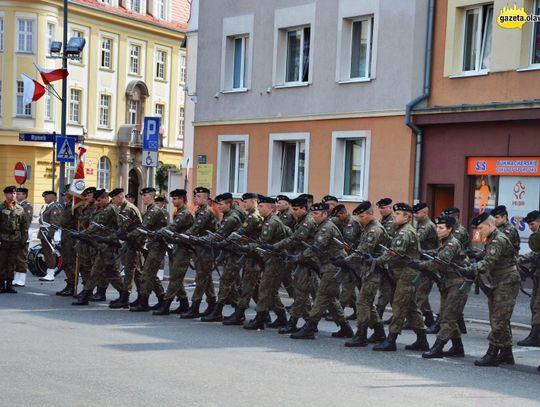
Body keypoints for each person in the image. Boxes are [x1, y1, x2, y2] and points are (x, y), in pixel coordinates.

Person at [458, 212, 520, 367]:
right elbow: (487, 255)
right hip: (500, 280)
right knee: (498, 317)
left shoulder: (497, 240)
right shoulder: (493, 238)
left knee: (499, 318)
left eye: (481, 227)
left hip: (507, 281)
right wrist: (475, 255)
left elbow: (488, 263)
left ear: (490, 225)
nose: (479, 231)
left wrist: (471, 269)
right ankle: (506, 353)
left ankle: (492, 353)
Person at [408, 216, 470, 359]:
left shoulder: (452, 244)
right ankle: (457, 347)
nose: (437, 230)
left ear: (450, 229)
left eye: (441, 228)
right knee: (448, 315)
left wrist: (419, 265)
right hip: (448, 283)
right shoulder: (445, 243)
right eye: (437, 227)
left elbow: (440, 262)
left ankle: (438, 346)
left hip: (457, 284)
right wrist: (420, 255)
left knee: (448, 317)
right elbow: (436, 253)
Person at [290, 202, 354, 340]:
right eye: (312, 213)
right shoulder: (321, 226)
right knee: (330, 298)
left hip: (333, 265)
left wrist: (299, 257)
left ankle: (310, 326)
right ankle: (345, 328)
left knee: (322, 296)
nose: (313, 217)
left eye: (316, 214)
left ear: (325, 214)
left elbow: (316, 247)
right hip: (327, 265)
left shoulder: (326, 228)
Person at [334, 201, 390, 347]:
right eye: (358, 216)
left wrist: (344, 261)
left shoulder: (374, 230)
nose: (360, 219)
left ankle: (361, 334)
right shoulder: (367, 227)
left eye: (363, 215)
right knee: (367, 303)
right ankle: (379, 332)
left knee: (363, 302)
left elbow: (363, 251)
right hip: (367, 270)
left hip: (374, 271)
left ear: (371, 213)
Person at [372, 203, 427, 352]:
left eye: (398, 214)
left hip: (407, 274)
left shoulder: (405, 232)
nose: (395, 217)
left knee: (399, 306)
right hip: (403, 273)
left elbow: (394, 253)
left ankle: (391, 340)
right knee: (410, 307)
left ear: (407, 217)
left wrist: (377, 261)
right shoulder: (402, 230)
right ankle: (422, 339)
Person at [243, 196, 290, 330]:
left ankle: (260, 318)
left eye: (262, 207)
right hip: (271, 259)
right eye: (259, 206)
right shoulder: (268, 220)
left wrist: (248, 245)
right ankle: (281, 317)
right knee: (271, 290)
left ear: (271, 208)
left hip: (275, 260)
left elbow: (262, 242)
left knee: (264, 288)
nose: (259, 209)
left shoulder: (271, 222)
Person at [273, 196, 318, 334]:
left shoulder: (307, 222)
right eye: (293, 209)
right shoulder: (302, 219)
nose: (293, 212)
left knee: (302, 293)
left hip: (308, 261)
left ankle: (294, 323)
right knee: (305, 293)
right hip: (302, 259)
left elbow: (296, 238)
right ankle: (310, 323)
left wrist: (277, 246)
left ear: (304, 208)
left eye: (296, 209)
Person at [72, 189, 124, 305]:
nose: (97, 202)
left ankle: (85, 296)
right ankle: (124, 295)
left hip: (108, 246)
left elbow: (95, 226)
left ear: (105, 198)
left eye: (99, 200)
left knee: (98, 272)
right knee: (111, 273)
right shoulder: (102, 208)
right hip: (102, 246)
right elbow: (93, 223)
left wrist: (81, 235)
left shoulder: (109, 209)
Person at [200, 192, 244, 322]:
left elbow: (218, 235)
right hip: (230, 254)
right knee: (232, 285)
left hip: (234, 255)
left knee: (226, 283)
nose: (218, 206)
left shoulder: (231, 218)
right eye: (217, 204)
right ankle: (238, 313)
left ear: (228, 204)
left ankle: (218, 312)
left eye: (221, 204)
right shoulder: (228, 215)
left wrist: (200, 239)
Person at [223, 192, 264, 326]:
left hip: (253, 255)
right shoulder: (251, 215)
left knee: (248, 286)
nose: (243, 204)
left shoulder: (253, 216)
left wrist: (227, 240)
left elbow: (241, 232)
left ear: (253, 201)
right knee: (255, 287)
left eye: (246, 202)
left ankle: (240, 314)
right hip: (249, 254)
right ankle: (266, 315)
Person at [153, 189, 194, 315]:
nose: (173, 201)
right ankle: (184, 303)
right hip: (177, 247)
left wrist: (157, 232)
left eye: (175, 199)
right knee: (176, 276)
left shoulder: (184, 213)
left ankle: (166, 305)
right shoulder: (179, 212)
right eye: (173, 198)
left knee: (175, 277)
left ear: (182, 199)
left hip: (184, 249)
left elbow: (172, 227)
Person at [129, 187, 169, 312]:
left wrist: (128, 235)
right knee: (151, 274)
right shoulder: (150, 210)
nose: (143, 198)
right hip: (151, 246)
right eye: (142, 196)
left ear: (151, 196)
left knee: (147, 274)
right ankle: (161, 299)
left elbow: (144, 228)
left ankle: (144, 303)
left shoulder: (153, 211)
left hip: (157, 246)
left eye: (145, 195)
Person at [181, 187, 219, 319]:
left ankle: (195, 306)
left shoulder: (205, 212)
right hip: (200, 248)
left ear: (205, 198)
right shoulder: (199, 210)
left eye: (198, 196)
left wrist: (182, 236)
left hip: (206, 249)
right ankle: (212, 304)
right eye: (195, 196)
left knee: (201, 278)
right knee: (206, 278)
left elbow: (195, 228)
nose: (195, 198)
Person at [109, 188, 144, 309]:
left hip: (134, 243)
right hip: (131, 242)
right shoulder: (124, 208)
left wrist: (113, 237)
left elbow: (123, 229)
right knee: (137, 272)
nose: (112, 201)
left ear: (120, 197)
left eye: (113, 198)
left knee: (129, 271)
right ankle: (141, 297)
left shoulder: (127, 209)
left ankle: (125, 298)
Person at [413, 202, 439, 329]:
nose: (415, 215)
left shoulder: (427, 226)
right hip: (422, 263)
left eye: (417, 213)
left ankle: (414, 320)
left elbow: (416, 241)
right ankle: (429, 318)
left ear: (424, 212)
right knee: (421, 291)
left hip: (429, 263)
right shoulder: (422, 224)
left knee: (420, 293)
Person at [517, 210, 540, 347]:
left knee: (537, 306)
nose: (530, 227)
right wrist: (519, 259)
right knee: (534, 305)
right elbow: (535, 253)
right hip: (538, 274)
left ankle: (535, 336)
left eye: (532, 224)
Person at [0, 186, 29, 293]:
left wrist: (23, 240)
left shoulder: (20, 209)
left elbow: (24, 226)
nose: (13, 195)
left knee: (12, 262)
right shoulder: (1, 208)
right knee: (2, 262)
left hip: (15, 240)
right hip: (3, 239)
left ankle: (10, 285)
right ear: (5, 194)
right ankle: (1, 284)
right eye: (11, 193)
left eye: (14, 193)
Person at [56, 185, 79, 297]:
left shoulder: (75, 207)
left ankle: (72, 286)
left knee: (70, 262)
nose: (64, 196)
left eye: (65, 194)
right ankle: (69, 284)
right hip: (65, 235)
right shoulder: (68, 206)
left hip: (71, 237)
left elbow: (67, 221)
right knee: (66, 262)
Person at [376, 198, 396, 322]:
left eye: (384, 208)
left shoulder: (392, 222)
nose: (381, 210)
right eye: (380, 208)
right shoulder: (381, 221)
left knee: (388, 287)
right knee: (388, 287)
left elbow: (387, 240)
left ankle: (379, 314)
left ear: (390, 208)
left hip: (390, 260)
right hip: (384, 259)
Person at [37, 190, 62, 281]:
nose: (45, 198)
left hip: (48, 234)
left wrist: (50, 235)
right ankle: (49, 272)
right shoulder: (47, 207)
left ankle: (51, 274)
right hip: (44, 233)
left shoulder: (54, 207)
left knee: (49, 253)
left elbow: (55, 223)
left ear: (52, 197)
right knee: (46, 253)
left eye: (46, 196)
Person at [13, 187, 33, 287]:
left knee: (22, 257)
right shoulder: (16, 205)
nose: (17, 195)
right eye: (17, 194)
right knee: (16, 257)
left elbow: (26, 222)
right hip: (16, 235)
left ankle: (22, 279)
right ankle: (16, 278)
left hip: (23, 234)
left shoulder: (27, 206)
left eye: (20, 194)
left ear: (25, 195)